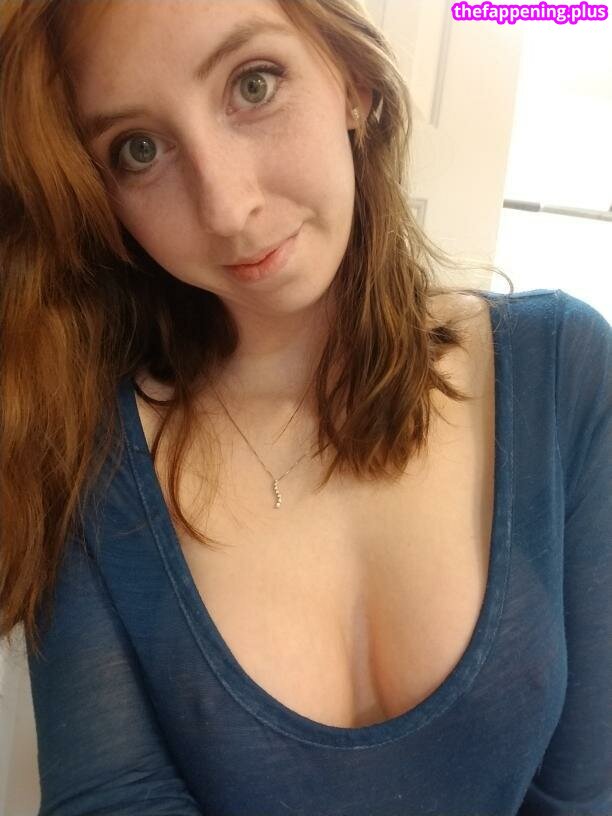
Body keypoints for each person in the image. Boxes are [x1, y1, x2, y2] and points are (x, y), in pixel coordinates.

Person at [0, 1, 609, 814]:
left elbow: (586, 790)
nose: (226, 207)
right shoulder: (86, 450)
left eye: (253, 85)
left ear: (351, 79)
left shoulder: (564, 372)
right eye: (138, 149)